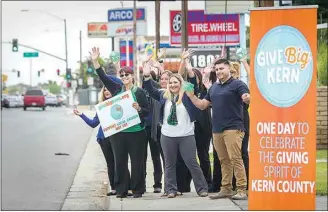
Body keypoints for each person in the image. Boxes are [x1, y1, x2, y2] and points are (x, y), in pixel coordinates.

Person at [186, 58, 250, 200]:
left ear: (229, 69)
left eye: (222, 68)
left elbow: (246, 97)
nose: (219, 71)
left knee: (235, 159)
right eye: (217, 69)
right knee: (223, 160)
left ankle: (241, 189)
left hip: (233, 128)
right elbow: (203, 105)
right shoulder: (214, 87)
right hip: (217, 130)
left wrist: (247, 98)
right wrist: (191, 96)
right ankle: (226, 188)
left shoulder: (238, 84)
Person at [142, 63, 208, 198]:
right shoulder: (163, 95)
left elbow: (194, 84)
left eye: (175, 82)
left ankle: (201, 188)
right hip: (167, 135)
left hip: (186, 135)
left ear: (181, 84)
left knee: (192, 162)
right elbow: (149, 88)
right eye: (170, 82)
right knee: (169, 164)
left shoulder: (187, 96)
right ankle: (170, 189)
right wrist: (147, 75)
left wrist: (189, 69)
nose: (172, 85)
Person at [91, 47, 149, 198]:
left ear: (132, 76)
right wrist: (96, 61)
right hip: (119, 133)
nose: (124, 77)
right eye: (122, 75)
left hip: (136, 132)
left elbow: (147, 112)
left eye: (127, 75)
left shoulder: (139, 92)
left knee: (137, 163)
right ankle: (121, 190)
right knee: (120, 163)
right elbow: (103, 77)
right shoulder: (117, 89)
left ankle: (137, 189)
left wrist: (139, 109)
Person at [73, 85, 123, 196]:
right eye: (104, 89)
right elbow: (93, 123)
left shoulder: (120, 103)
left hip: (118, 137)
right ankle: (114, 188)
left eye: (108, 89)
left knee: (120, 162)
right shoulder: (101, 107)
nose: (106, 91)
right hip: (104, 138)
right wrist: (81, 114)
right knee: (111, 163)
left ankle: (123, 187)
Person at [177, 51, 213, 192]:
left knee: (203, 155)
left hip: (203, 127)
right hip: (188, 127)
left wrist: (189, 66)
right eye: (193, 76)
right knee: (187, 157)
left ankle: (207, 183)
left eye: (197, 77)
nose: (194, 79)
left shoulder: (205, 92)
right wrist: (184, 61)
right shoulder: (185, 91)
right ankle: (185, 185)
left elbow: (191, 77)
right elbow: (179, 77)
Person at [230, 61, 250, 191]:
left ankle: (245, 183)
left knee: (242, 152)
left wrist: (244, 61)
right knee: (230, 155)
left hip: (242, 122)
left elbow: (252, 78)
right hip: (229, 123)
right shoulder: (225, 86)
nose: (230, 75)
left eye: (232, 72)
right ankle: (232, 183)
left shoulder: (241, 86)